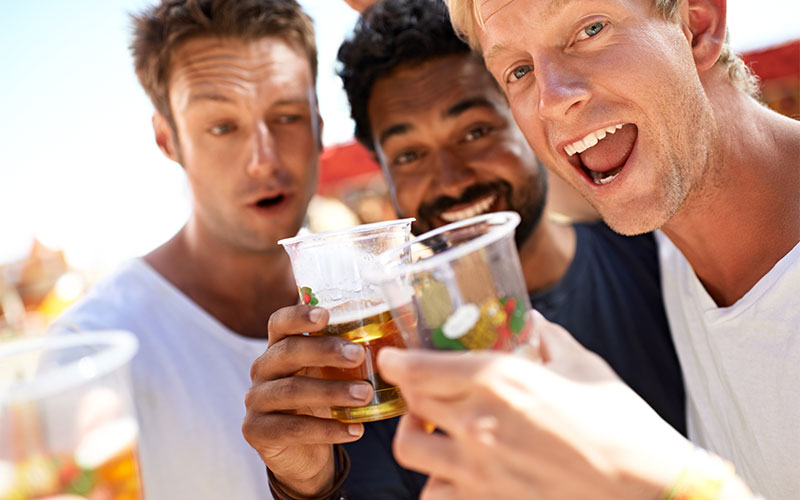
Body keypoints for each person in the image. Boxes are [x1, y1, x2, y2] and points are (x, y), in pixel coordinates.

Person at [241, 0, 685, 497]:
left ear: (528, 115)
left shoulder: (666, 262)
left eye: (475, 131)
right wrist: (308, 485)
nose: (450, 180)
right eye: (410, 155)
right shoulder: (385, 367)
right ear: (384, 174)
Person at [378, 0, 800, 498]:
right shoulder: (662, 247)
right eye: (518, 70)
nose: (551, 100)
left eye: (590, 29)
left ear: (697, 23)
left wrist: (664, 483)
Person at [51, 0, 322, 498]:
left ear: (320, 124)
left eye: (286, 116)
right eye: (222, 127)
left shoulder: (377, 302)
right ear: (167, 140)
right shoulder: (90, 353)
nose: (263, 160)